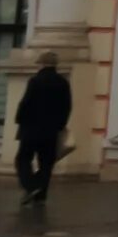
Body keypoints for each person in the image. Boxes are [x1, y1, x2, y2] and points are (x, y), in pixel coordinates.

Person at [12, 50, 71, 203]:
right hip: (51, 131)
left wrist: (19, 119)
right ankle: (41, 196)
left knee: (23, 159)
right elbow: (67, 106)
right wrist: (60, 125)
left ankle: (31, 186)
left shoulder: (35, 81)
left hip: (31, 128)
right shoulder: (63, 82)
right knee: (46, 163)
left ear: (42, 64)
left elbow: (26, 103)